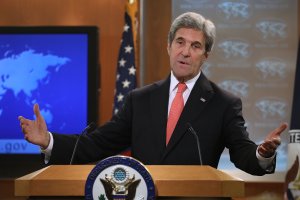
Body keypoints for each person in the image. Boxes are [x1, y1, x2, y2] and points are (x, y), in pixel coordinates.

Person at [18, 12, 287, 176]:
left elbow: (243, 155)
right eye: (179, 42)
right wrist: (48, 141)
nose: (185, 51)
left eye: (195, 46)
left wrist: (262, 154)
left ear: (205, 55)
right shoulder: (140, 99)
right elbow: (97, 144)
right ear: (168, 46)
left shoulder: (224, 103)